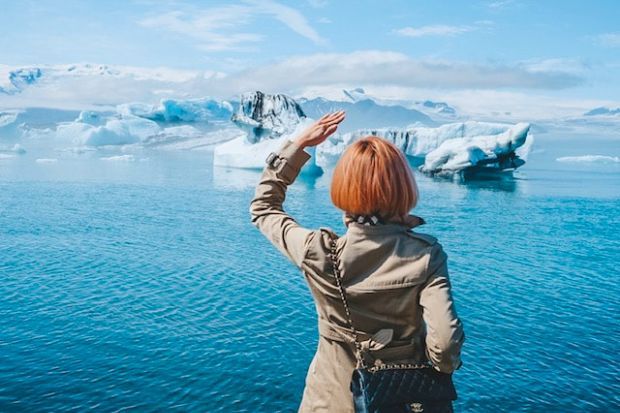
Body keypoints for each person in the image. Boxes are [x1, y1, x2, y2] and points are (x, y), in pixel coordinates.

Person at [250, 111, 465, 412]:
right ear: (403, 187)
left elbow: (264, 208)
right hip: (406, 403)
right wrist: (440, 367)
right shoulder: (425, 255)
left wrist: (298, 146)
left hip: (329, 402)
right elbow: (444, 341)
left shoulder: (317, 251)